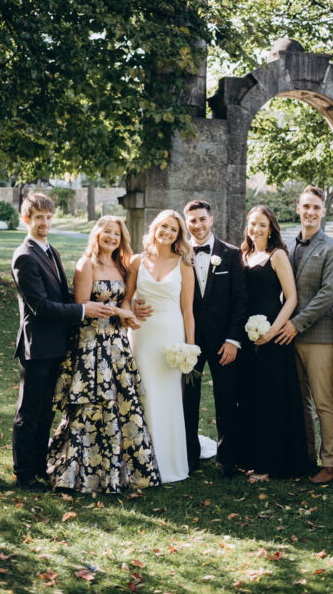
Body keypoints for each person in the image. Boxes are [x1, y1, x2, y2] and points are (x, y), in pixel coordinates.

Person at [47, 216, 161, 493]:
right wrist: (120, 312)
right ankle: (80, 472)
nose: (112, 237)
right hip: (90, 345)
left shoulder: (122, 265)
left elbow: (126, 301)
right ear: (97, 234)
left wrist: (131, 312)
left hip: (117, 345)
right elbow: (83, 308)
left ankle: (122, 472)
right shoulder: (86, 264)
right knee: (90, 406)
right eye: (107, 232)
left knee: (123, 405)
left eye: (117, 234)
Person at [11, 193, 111, 491]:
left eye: (48, 217)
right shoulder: (24, 256)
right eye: (38, 217)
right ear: (26, 219)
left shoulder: (50, 250)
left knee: (46, 411)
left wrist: (95, 301)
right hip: (37, 346)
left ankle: (38, 465)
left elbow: (60, 295)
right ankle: (24, 473)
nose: (44, 222)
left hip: (56, 344)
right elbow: (41, 306)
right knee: (29, 412)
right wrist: (82, 310)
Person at [276, 185, 333, 484]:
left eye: (316, 207)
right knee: (299, 402)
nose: (310, 212)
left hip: (319, 337)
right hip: (287, 338)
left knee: (324, 401)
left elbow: (328, 294)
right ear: (298, 209)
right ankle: (305, 457)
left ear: (324, 211)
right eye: (306, 206)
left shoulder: (332, 247)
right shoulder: (287, 247)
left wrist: (296, 324)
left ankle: (331, 462)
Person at [238, 206, 310, 481]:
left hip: (273, 332)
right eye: (252, 224)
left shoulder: (277, 255)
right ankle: (253, 456)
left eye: (262, 225)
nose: (256, 229)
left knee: (271, 397)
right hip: (248, 334)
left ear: (271, 229)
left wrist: (272, 331)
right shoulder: (244, 255)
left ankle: (271, 463)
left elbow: (291, 298)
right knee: (252, 396)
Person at [124, 210, 195, 483]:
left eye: (174, 229)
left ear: (179, 236)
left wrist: (190, 347)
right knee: (142, 392)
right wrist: (133, 307)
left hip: (171, 336)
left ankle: (167, 460)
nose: (167, 232)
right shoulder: (137, 261)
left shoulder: (183, 263)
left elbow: (187, 310)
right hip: (142, 335)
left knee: (167, 396)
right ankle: (139, 460)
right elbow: (126, 300)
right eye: (163, 226)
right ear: (154, 227)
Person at [183, 200, 248, 478]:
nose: (197, 225)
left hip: (224, 341)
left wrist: (233, 340)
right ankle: (188, 455)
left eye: (202, 219)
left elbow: (241, 300)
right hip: (189, 341)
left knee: (227, 397)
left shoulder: (231, 254)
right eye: (192, 220)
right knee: (188, 398)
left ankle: (228, 457)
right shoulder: (179, 254)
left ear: (211, 220)